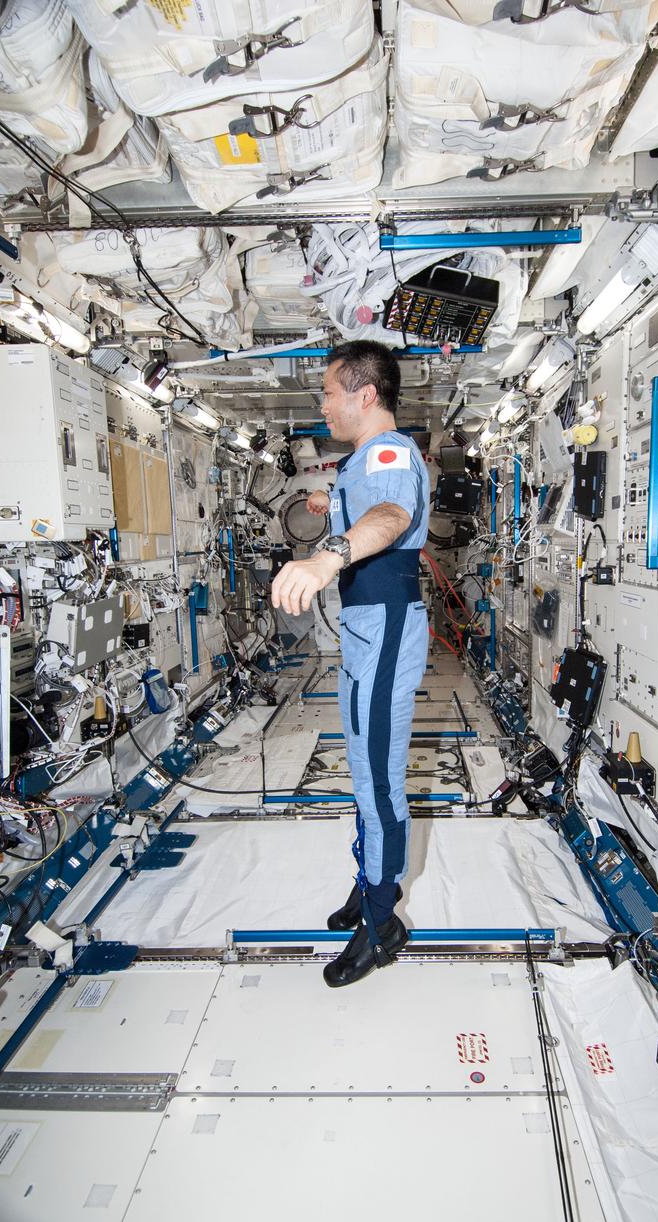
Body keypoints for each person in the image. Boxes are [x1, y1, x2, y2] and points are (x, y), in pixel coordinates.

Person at [271, 340, 430, 988]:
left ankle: (382, 920)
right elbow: (368, 503)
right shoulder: (364, 459)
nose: (323, 404)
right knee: (363, 766)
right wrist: (327, 502)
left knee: (378, 777)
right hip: (368, 629)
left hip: (383, 625)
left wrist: (326, 556)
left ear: (365, 394)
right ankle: (369, 882)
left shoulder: (390, 452)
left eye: (330, 392)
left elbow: (390, 513)